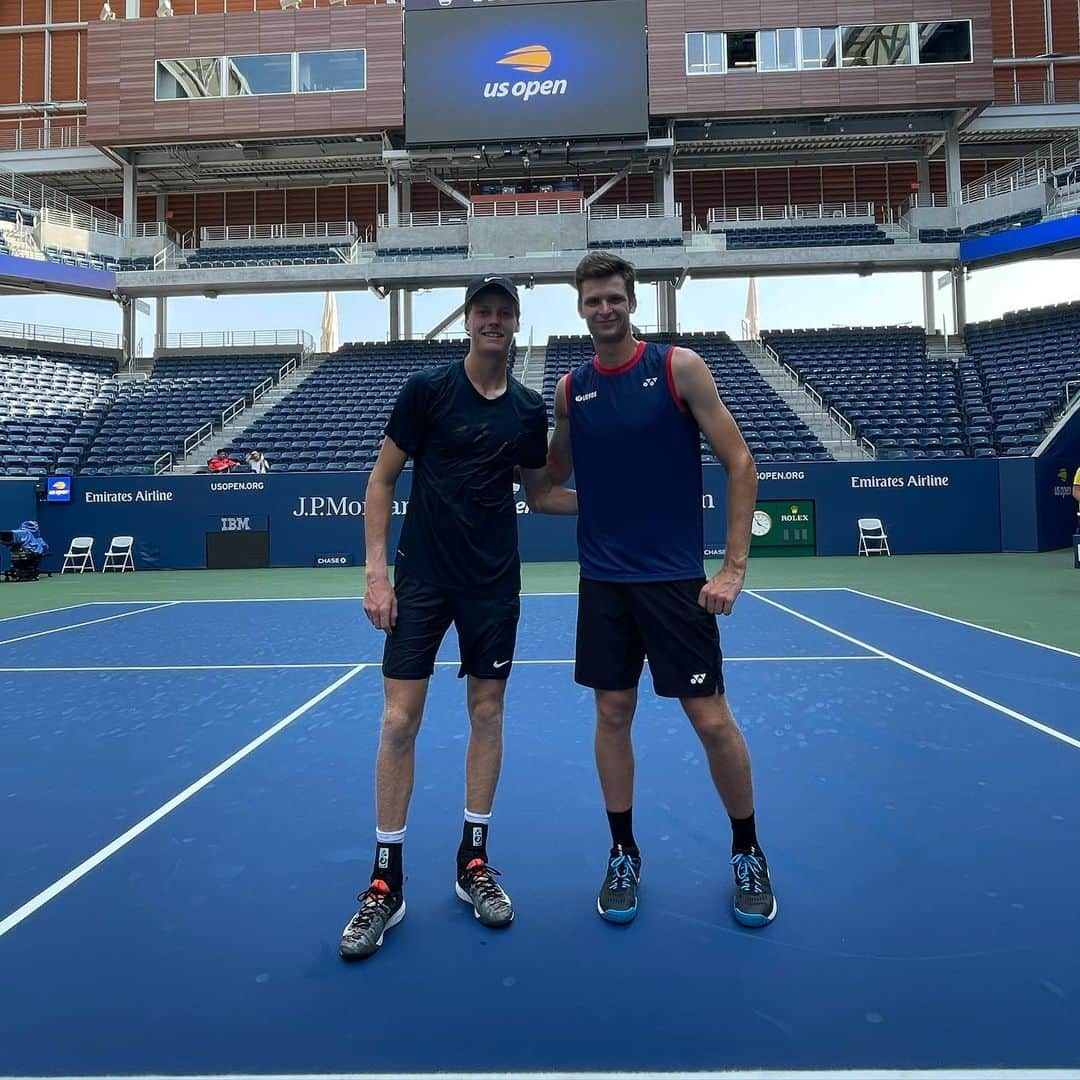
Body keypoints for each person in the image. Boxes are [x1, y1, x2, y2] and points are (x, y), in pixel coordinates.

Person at [340, 275, 576, 960]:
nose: (493, 322)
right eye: (483, 312)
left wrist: (618, 503)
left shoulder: (530, 411)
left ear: (516, 324)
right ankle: (386, 883)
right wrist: (376, 574)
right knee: (398, 722)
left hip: (493, 584)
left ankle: (473, 865)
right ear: (468, 322)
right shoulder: (427, 391)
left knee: (487, 712)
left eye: (504, 313)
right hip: (421, 581)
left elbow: (541, 493)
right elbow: (381, 479)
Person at [546, 251, 777, 928]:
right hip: (604, 585)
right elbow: (545, 486)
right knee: (612, 716)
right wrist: (599, 504)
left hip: (676, 583)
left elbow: (740, 462)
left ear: (632, 301)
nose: (604, 309)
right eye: (593, 301)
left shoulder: (678, 369)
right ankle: (623, 852)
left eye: (614, 298)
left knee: (711, 721)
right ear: (580, 307)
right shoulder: (570, 390)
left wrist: (733, 567)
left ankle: (748, 850)